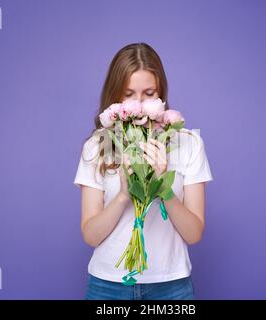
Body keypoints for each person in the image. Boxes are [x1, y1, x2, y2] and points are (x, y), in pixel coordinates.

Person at [73, 42, 213, 300]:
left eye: (149, 93)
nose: (138, 105)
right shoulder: (97, 146)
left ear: (161, 95)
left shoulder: (189, 143)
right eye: (128, 94)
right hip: (108, 286)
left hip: (171, 286)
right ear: (114, 95)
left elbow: (194, 234)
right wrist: (124, 195)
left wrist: (163, 186)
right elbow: (91, 236)